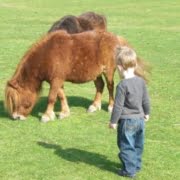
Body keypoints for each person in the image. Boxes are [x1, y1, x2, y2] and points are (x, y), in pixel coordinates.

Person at [109, 46, 150, 178]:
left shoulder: (122, 85)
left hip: (127, 121)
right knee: (138, 144)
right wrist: (147, 112)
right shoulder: (141, 82)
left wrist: (113, 121)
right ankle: (136, 165)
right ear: (135, 64)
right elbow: (146, 100)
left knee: (126, 145)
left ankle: (129, 171)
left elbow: (118, 106)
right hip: (140, 120)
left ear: (120, 67)